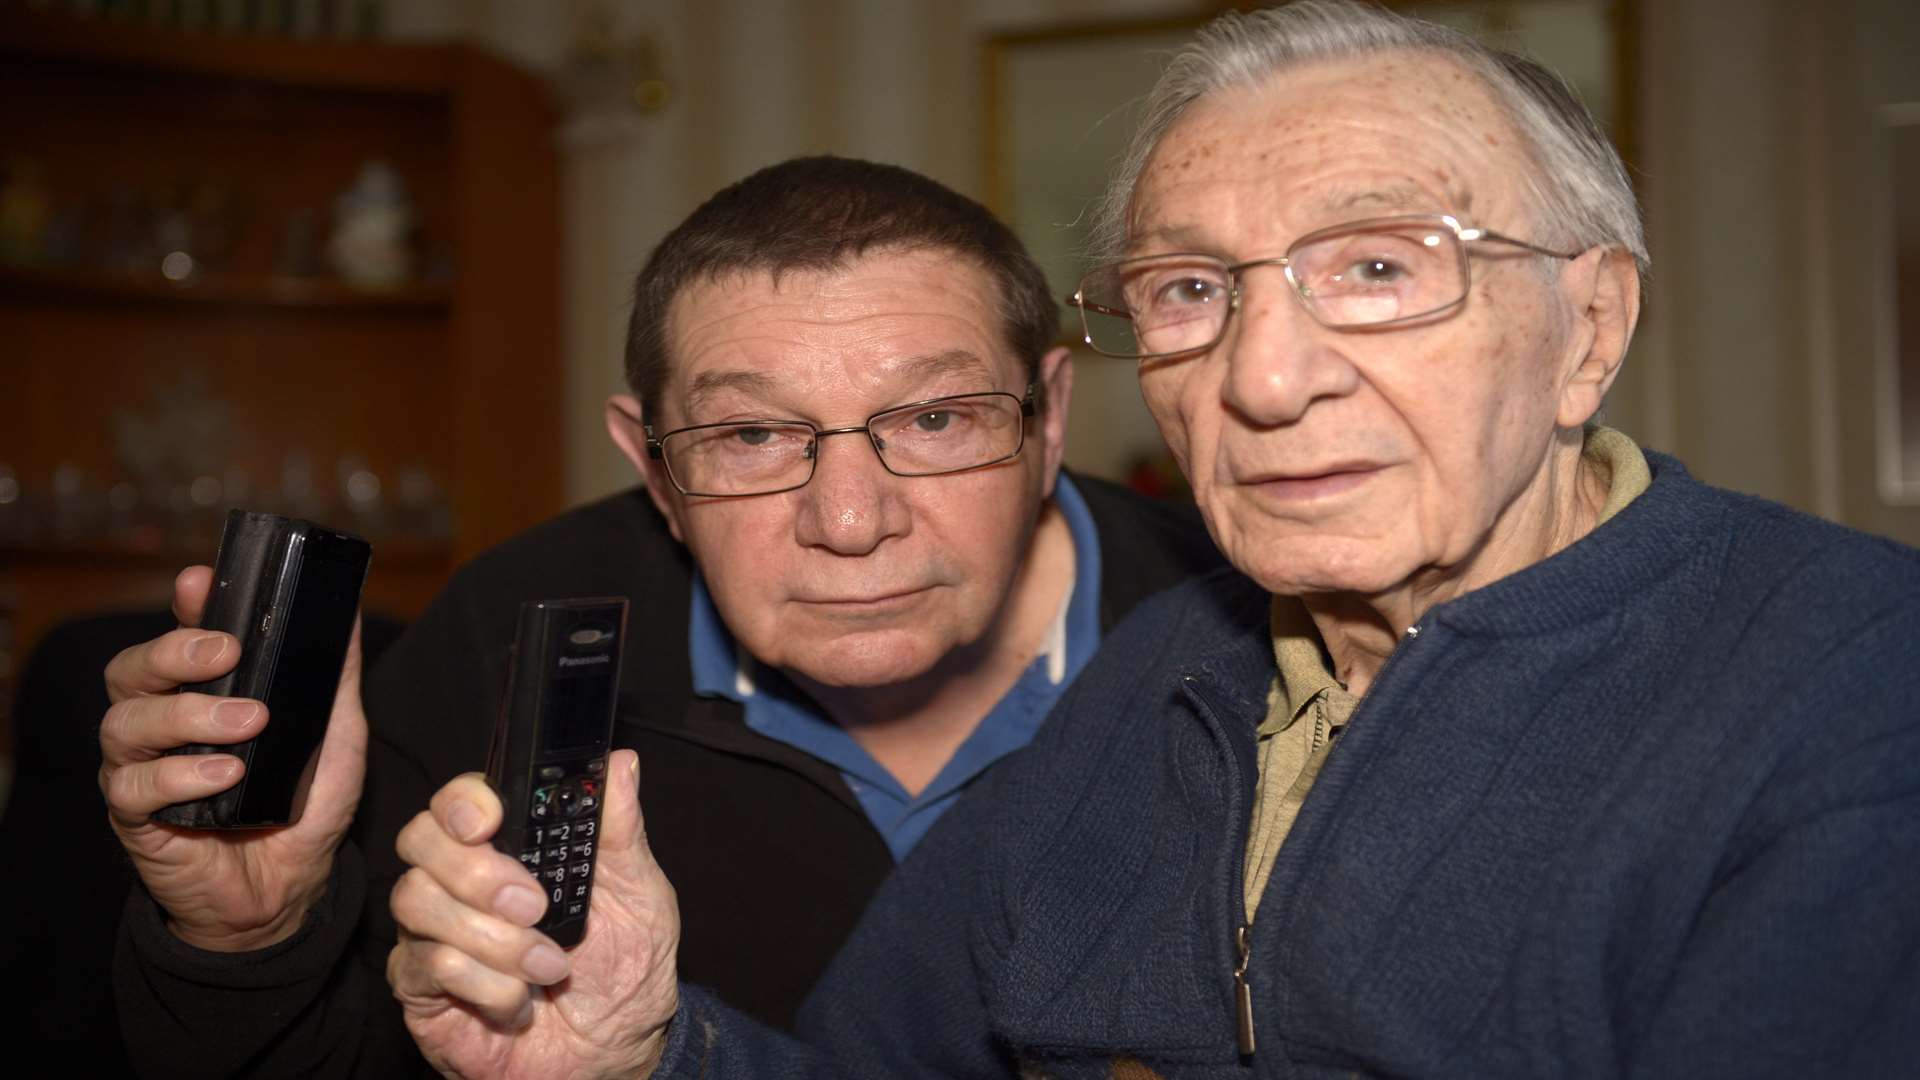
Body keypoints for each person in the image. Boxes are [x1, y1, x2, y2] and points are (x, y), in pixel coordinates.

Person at [344, 2, 1920, 1077]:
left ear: (1589, 328)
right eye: (1187, 291)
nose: (1265, 373)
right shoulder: (1167, 677)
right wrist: (643, 1047)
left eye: (1375, 267)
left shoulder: (1843, 684)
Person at [100, 157, 1225, 1076]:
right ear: (653, 466)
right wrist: (249, 938)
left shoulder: (1248, 631)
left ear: (1050, 417)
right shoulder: (510, 634)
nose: (847, 520)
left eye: (936, 419)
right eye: (750, 438)